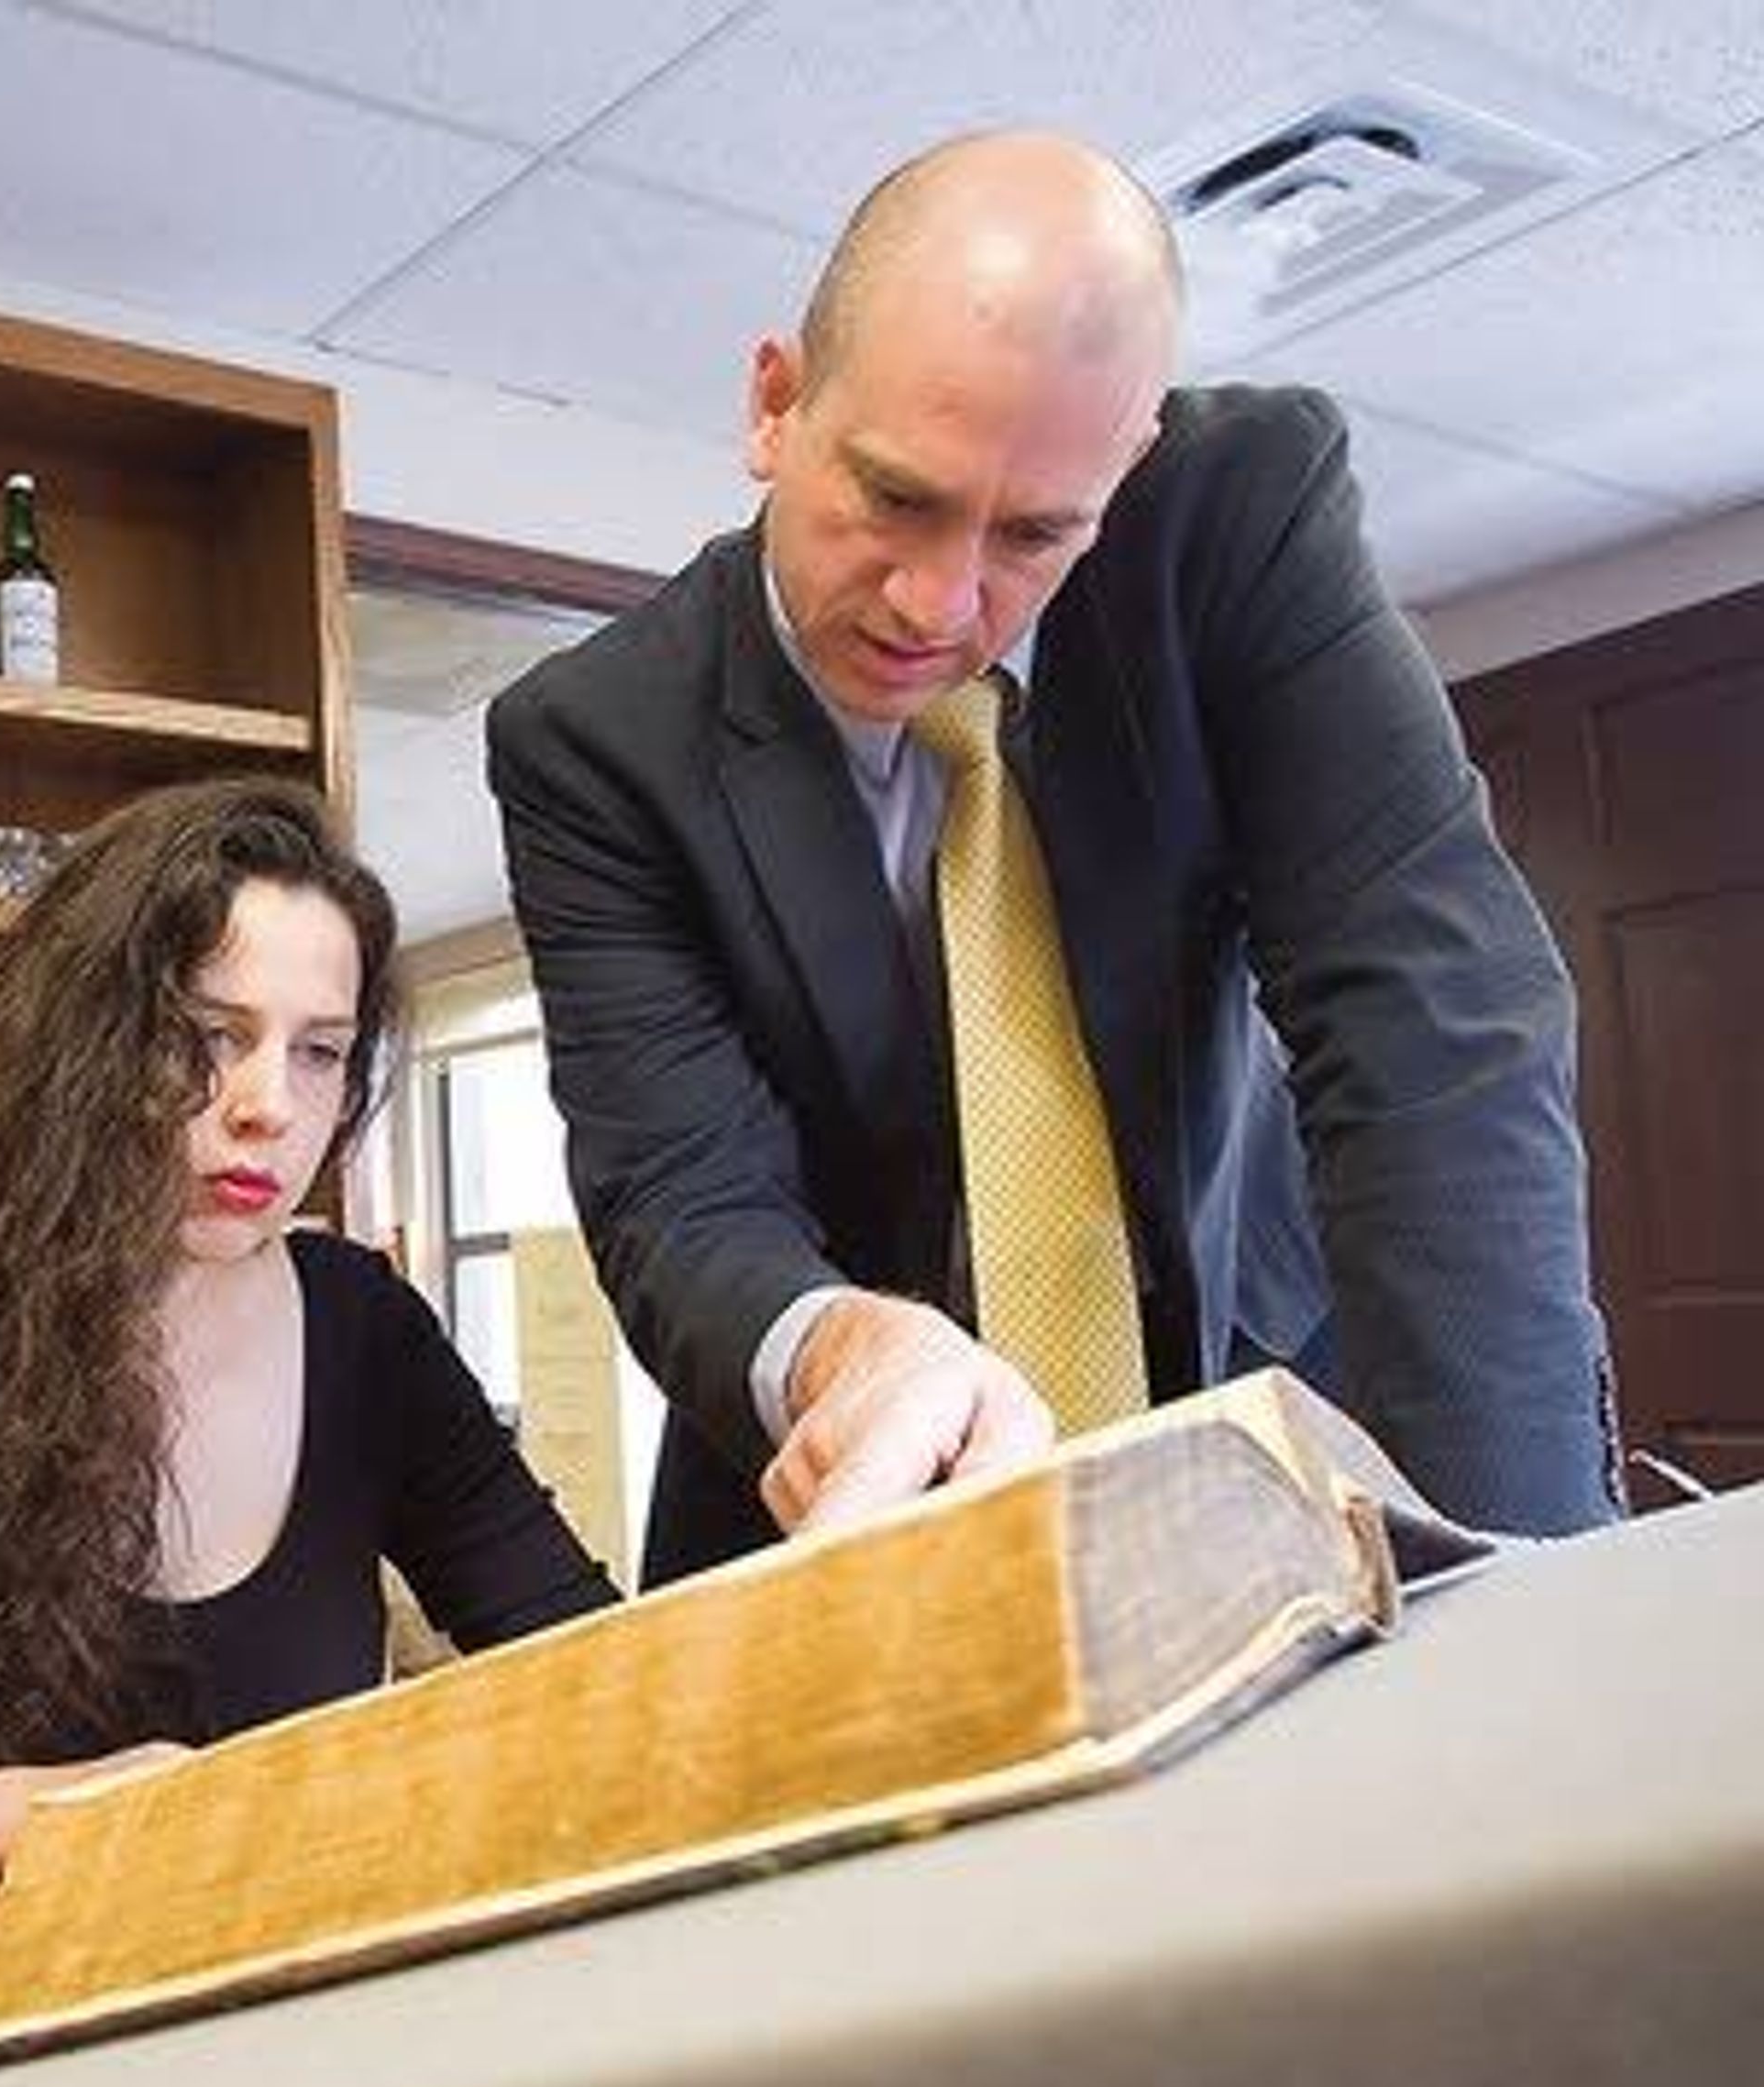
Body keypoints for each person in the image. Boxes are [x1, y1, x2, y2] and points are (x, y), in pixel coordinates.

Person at [489, 129, 1621, 1585]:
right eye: (896, 497)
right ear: (775, 404)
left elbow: (1430, 1010)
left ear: (1126, 468)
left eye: (1034, 535)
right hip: (855, 1484)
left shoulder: (1237, 516)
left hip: (1258, 1390)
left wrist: (1517, 1580)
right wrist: (839, 1342)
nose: (940, 603)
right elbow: (682, 1190)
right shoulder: (595, 739)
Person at [0, 778, 616, 1878]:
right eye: (209, 1036)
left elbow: (588, 1666)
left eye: (319, 1051)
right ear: (80, 1050)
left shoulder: (368, 1331)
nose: (267, 1103)